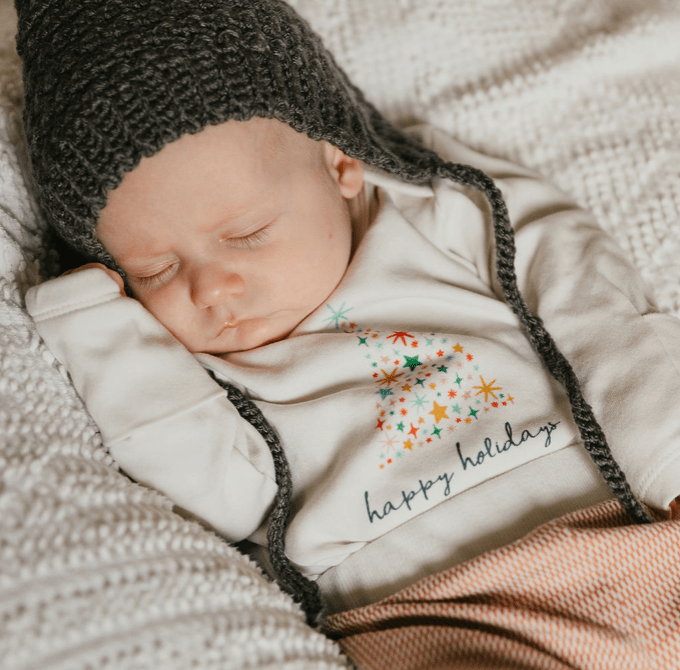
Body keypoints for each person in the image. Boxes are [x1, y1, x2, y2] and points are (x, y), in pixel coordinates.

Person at [16, 0, 680, 625]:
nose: (210, 288)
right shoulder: (194, 371)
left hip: (617, 529)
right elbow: (221, 499)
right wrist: (95, 330)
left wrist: (667, 450)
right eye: (155, 269)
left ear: (341, 164)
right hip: (421, 613)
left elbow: (588, 299)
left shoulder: (436, 213)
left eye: (247, 233)